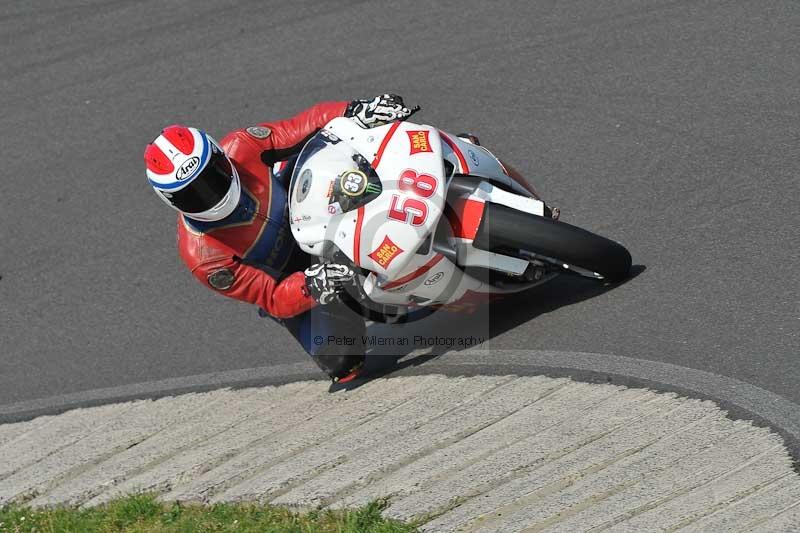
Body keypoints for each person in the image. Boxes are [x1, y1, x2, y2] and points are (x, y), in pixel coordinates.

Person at [143, 95, 414, 382]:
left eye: (213, 176)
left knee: (342, 139)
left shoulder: (242, 145)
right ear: (170, 200)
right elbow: (271, 297)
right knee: (341, 361)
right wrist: (312, 284)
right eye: (193, 194)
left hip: (313, 207)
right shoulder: (205, 259)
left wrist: (354, 110)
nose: (211, 193)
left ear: (220, 155)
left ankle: (442, 162)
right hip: (293, 276)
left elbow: (303, 125)